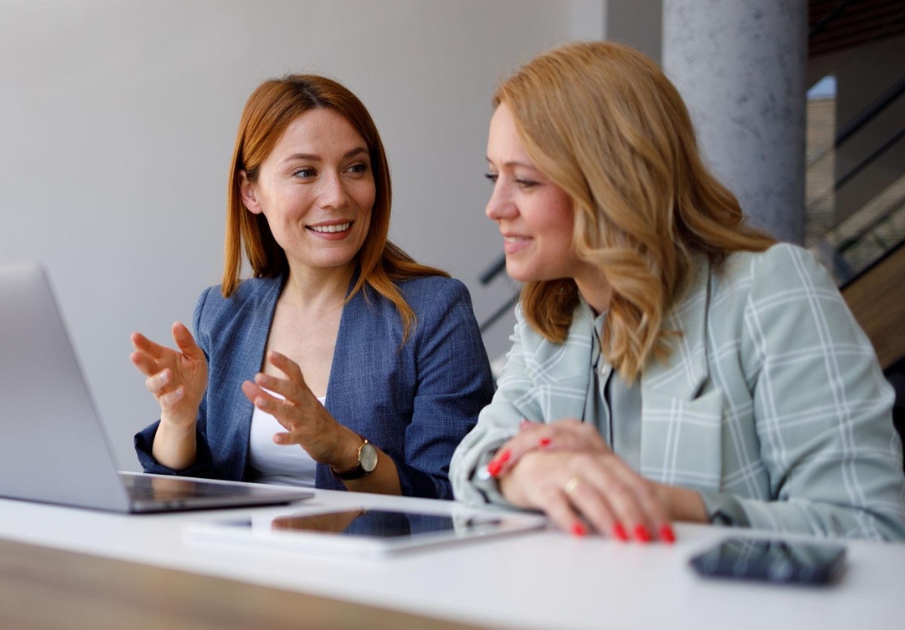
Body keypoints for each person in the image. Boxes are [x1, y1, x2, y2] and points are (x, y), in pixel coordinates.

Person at [450, 41, 905, 542]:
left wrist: (667, 504)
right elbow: (474, 458)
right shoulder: (550, 313)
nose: (495, 206)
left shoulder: (771, 289)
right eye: (495, 176)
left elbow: (871, 525)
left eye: (526, 181)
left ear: (612, 179)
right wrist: (527, 473)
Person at [131, 75, 494, 499]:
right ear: (251, 193)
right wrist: (179, 420)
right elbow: (182, 496)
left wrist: (342, 448)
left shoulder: (433, 312)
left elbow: (451, 494)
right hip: (238, 561)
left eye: (355, 168)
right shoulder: (223, 311)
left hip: (374, 562)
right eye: (305, 172)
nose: (336, 196)